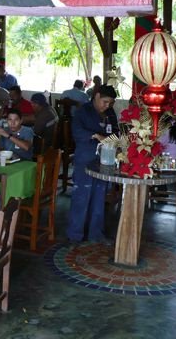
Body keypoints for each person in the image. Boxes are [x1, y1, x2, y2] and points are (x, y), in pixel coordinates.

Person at [66, 85, 118, 244]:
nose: (106, 106)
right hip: (85, 158)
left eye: (110, 103)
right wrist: (95, 135)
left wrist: (113, 140)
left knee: (99, 196)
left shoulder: (110, 113)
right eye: (104, 101)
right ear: (96, 96)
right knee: (81, 196)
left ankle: (96, 234)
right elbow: (77, 132)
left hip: (105, 159)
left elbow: (116, 133)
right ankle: (75, 235)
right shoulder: (83, 112)